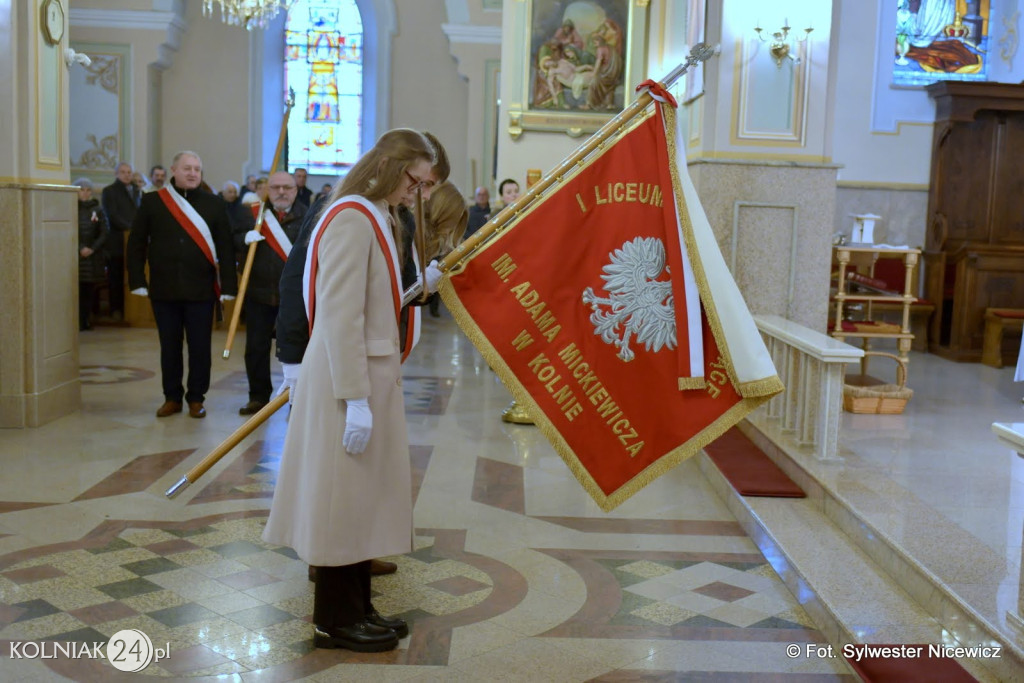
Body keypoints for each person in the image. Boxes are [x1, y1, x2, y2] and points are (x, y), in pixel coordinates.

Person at [262, 129, 437, 653]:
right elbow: (339, 315)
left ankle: (359, 606)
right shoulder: (352, 217)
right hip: (347, 379)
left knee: (359, 498)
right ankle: (334, 620)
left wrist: (420, 286)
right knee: (341, 500)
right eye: (414, 180)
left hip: (364, 375)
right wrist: (355, 397)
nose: (416, 194)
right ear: (388, 166)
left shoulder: (378, 215)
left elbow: (373, 300)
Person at [126, 150, 238, 418]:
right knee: (170, 347)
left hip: (201, 290)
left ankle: (197, 398)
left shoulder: (214, 204)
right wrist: (138, 281)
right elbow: (136, 243)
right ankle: (172, 397)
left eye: (197, 169)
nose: (192, 173)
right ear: (173, 170)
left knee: (200, 348)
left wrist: (230, 287)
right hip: (164, 290)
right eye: (187, 168)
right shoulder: (153, 202)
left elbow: (226, 247)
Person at [234, 172, 307, 415]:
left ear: (295, 190)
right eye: (275, 188)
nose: (281, 192)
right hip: (259, 292)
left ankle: (297, 397)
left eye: (287, 187)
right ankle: (257, 396)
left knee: (298, 349)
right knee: (256, 348)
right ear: (267, 190)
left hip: (296, 297)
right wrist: (245, 237)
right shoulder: (253, 215)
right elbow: (231, 239)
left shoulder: (309, 216)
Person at [101, 162, 139, 321]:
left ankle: (132, 309)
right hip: (118, 240)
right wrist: (131, 229)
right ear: (116, 174)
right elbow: (112, 215)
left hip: (134, 240)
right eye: (123, 172)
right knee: (116, 277)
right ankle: (116, 309)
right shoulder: (109, 191)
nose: (127, 175)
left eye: (129, 172)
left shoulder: (136, 190)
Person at [74, 178, 110, 331]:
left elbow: (104, 231)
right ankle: (76, 321)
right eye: (82, 189)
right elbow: (68, 230)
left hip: (93, 256)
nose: (85, 193)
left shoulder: (98, 209)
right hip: (76, 255)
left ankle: (86, 319)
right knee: (76, 291)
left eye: (88, 190)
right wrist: (80, 247)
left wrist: (92, 248)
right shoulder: (71, 208)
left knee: (89, 290)